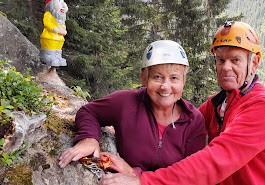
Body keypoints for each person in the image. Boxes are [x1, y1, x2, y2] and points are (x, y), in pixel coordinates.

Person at [98, 21, 265, 185]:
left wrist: (143, 181)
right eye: (220, 60)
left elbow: (214, 161)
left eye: (235, 60)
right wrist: (129, 125)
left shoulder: (264, 106)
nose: (226, 68)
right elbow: (178, 125)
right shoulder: (218, 104)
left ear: (253, 64)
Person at [59, 40, 206, 177]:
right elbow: (88, 112)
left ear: (183, 81)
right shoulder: (125, 102)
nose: (165, 86)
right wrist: (89, 138)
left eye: (174, 78)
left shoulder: (193, 120)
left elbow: (189, 176)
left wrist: (134, 174)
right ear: (144, 78)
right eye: (157, 77)